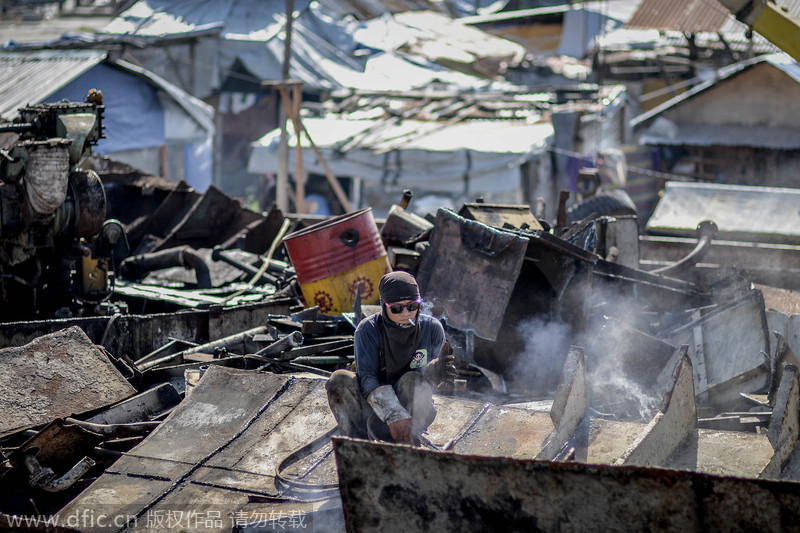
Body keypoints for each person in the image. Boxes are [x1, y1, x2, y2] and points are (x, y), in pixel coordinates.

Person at [325, 271, 453, 444]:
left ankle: (409, 444)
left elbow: (431, 389)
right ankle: (356, 446)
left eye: (412, 306)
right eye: (397, 308)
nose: (406, 313)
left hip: (413, 413)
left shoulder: (432, 329)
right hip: (373, 408)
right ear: (384, 306)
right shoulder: (368, 329)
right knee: (339, 379)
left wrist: (435, 374)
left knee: (413, 379)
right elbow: (367, 378)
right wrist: (393, 414)